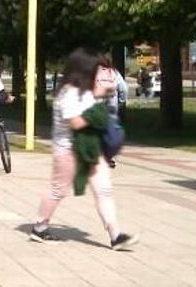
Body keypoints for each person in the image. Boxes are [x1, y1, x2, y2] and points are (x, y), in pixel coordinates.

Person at [29, 48, 139, 250]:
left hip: (92, 148)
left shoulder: (88, 91)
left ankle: (116, 236)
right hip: (69, 150)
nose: (100, 72)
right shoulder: (68, 93)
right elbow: (76, 123)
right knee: (58, 190)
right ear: (84, 69)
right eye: (96, 68)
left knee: (103, 190)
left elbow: (97, 109)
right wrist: (99, 116)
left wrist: (103, 94)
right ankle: (39, 227)